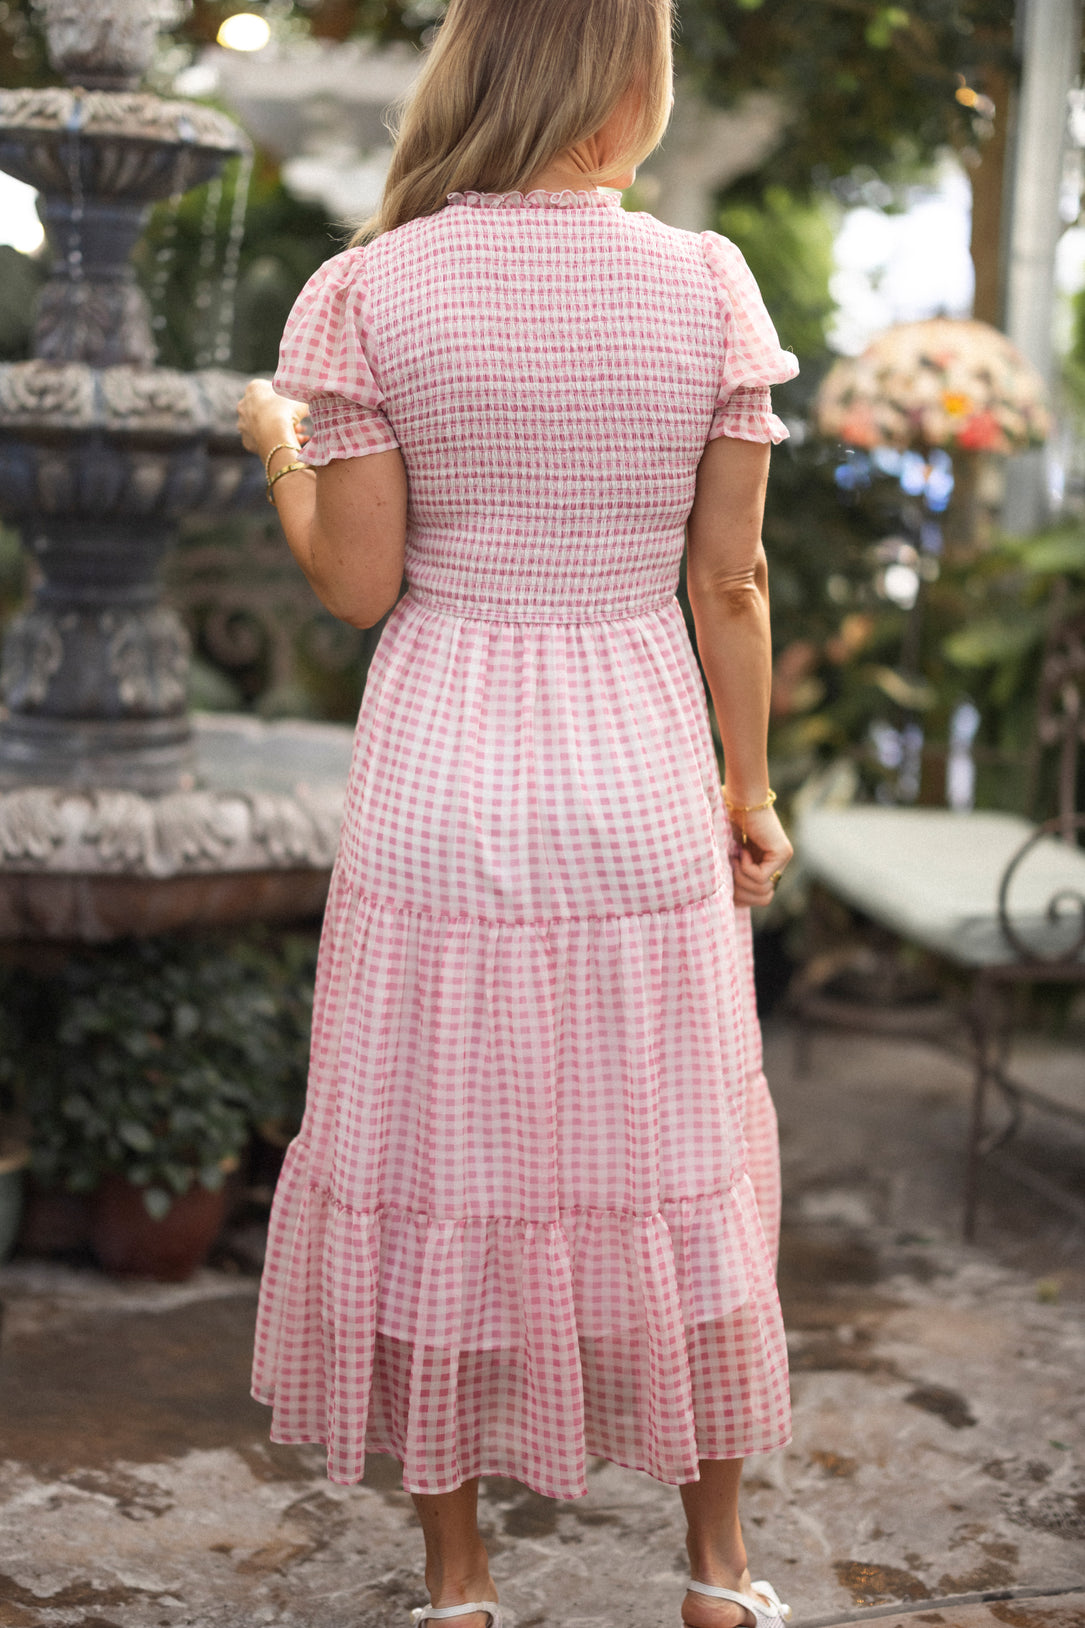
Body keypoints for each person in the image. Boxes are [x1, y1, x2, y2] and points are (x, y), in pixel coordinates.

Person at [238, 3, 797, 1626]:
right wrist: (745, 792)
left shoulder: (366, 291)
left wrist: (277, 441)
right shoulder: (703, 284)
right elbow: (731, 580)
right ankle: (714, 1574)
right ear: (631, 85)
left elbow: (355, 586)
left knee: (434, 1163)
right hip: (631, 776)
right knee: (672, 1154)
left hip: (442, 784)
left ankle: (460, 1587)